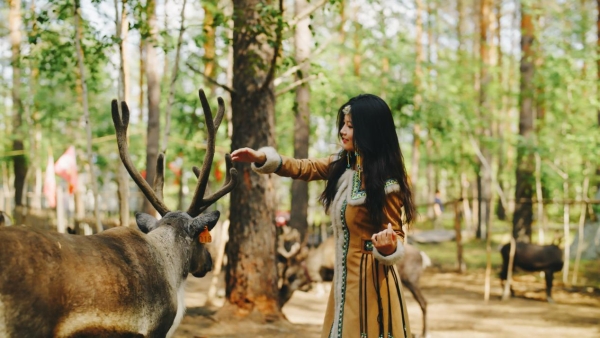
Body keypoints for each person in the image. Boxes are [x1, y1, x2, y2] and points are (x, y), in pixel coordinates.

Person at [231, 93, 416, 338]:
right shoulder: (343, 164)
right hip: (343, 283)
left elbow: (397, 235)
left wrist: (388, 246)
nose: (342, 130)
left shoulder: (387, 184)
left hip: (371, 287)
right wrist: (263, 159)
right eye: (343, 124)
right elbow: (303, 167)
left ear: (370, 131)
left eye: (351, 126)